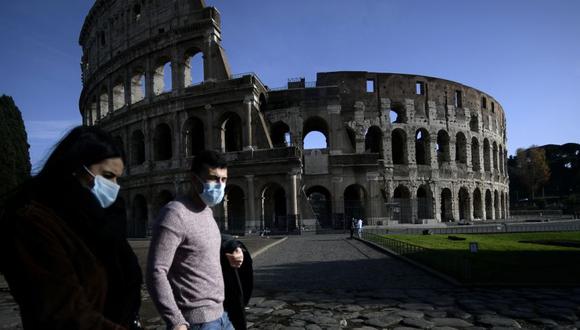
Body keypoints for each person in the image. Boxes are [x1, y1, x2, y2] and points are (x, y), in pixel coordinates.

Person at [0, 125, 143, 329]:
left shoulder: (100, 221)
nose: (115, 186)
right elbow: (65, 314)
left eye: (118, 178)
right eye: (108, 176)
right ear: (77, 169)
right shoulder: (32, 222)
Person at [147, 150, 245, 330]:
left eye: (223, 180)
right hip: (197, 321)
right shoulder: (174, 214)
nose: (220, 185)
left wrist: (231, 251)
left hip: (221, 315)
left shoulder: (207, 211)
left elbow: (202, 247)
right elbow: (156, 271)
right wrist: (176, 321)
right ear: (194, 179)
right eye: (213, 179)